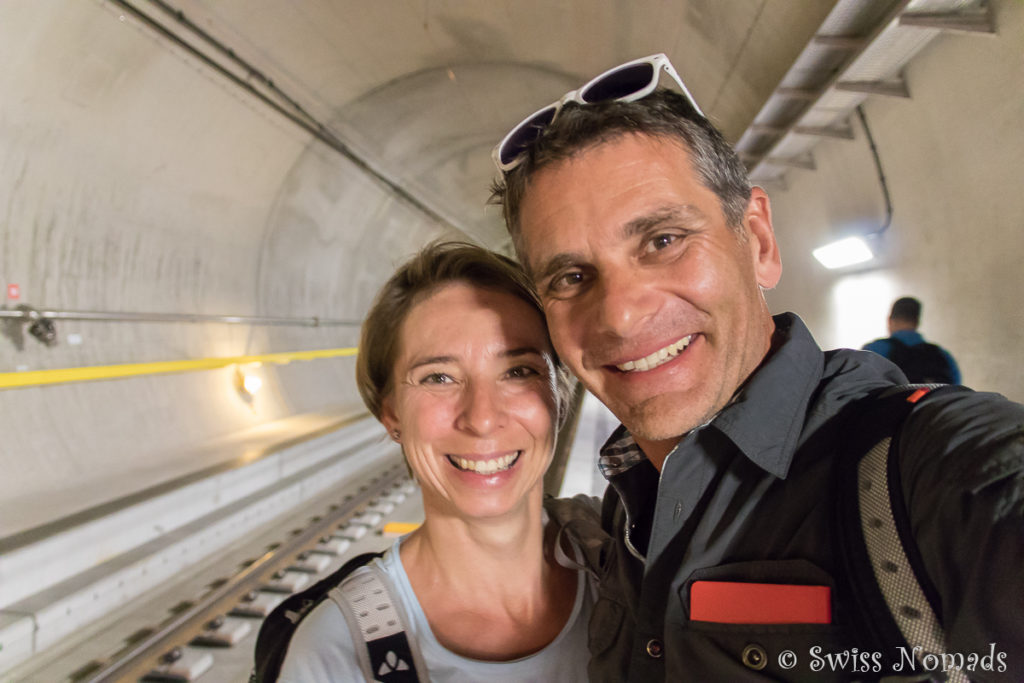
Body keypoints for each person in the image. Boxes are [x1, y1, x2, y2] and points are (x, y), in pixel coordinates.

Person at [490, 53, 1024, 681]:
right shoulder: (626, 514)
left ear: (760, 243)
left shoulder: (931, 477)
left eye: (663, 241)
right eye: (573, 277)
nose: (622, 318)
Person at [277, 242, 594, 682]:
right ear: (391, 414)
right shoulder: (336, 655)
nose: (482, 418)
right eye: (439, 378)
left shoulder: (634, 572)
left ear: (559, 396)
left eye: (518, 371)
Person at [863, 296, 961, 384]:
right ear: (917, 322)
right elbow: (954, 390)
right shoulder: (943, 355)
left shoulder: (873, 351)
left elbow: (858, 387)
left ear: (889, 320)